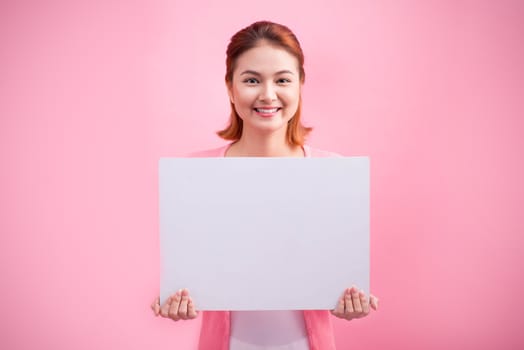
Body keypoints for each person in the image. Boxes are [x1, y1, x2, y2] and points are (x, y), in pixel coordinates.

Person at [151, 20, 379, 350]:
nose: (267, 95)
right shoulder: (195, 175)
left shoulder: (333, 175)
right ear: (230, 87)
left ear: (300, 84)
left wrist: (349, 300)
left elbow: (337, 275)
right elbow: (189, 274)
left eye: (282, 80)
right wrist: (176, 299)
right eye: (252, 80)